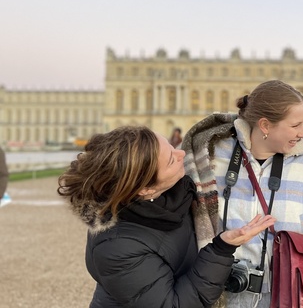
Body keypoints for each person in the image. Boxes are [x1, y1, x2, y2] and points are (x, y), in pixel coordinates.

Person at [57, 125, 275, 307]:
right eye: (171, 159)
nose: (182, 154)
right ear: (145, 189)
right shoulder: (116, 247)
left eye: (172, 147)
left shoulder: (174, 194)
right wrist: (221, 249)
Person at [182, 80, 303, 307]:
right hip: (222, 297)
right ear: (265, 125)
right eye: (296, 125)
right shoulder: (211, 155)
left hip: (291, 299)